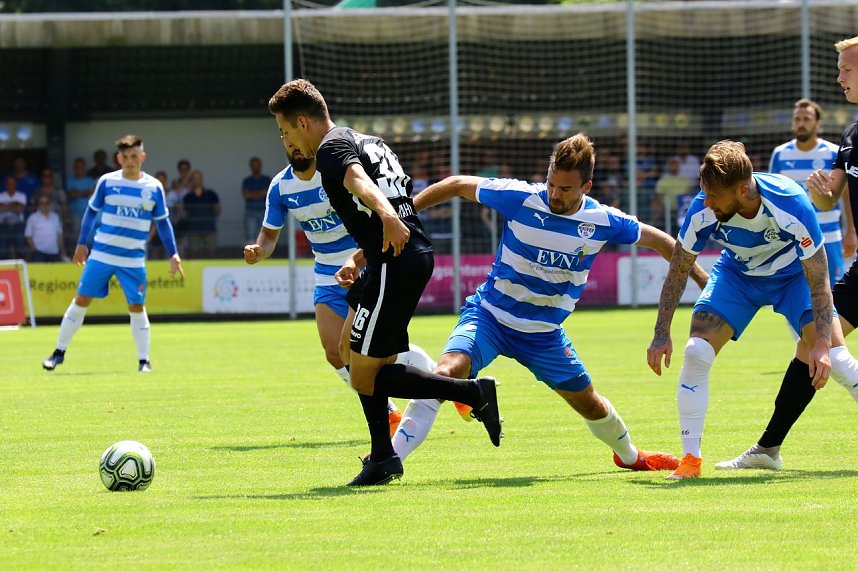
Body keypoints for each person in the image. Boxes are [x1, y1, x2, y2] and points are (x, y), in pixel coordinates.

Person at [387, 133, 707, 471]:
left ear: (587, 186)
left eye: (566, 189)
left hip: (544, 334)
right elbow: (455, 184)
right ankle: (390, 458)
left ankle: (631, 456)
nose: (555, 193)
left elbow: (665, 243)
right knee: (444, 373)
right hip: (490, 317)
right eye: (552, 183)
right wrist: (401, 217)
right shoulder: (521, 198)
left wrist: (705, 282)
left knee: (591, 404)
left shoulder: (603, 221)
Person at [268, 78, 502, 487]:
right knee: (345, 350)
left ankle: (470, 394)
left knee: (363, 373)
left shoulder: (330, 149)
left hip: (395, 260)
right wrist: (360, 255)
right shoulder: (369, 139)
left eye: (285, 131)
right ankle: (383, 455)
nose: (287, 141)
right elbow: (396, 195)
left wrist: (388, 219)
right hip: (390, 258)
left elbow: (361, 183)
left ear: (303, 122)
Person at [646, 140, 858, 479]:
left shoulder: (790, 202)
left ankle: (767, 451)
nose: (707, 202)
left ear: (743, 188)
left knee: (838, 359)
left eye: (714, 195)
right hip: (737, 275)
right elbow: (679, 267)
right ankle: (690, 461)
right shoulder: (703, 207)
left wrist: (820, 343)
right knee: (696, 351)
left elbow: (818, 279)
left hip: (793, 276)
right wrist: (660, 333)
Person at [716, 36, 858, 470]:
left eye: (846, 69)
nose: (838, 77)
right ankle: (768, 449)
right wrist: (823, 193)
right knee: (813, 341)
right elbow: (832, 197)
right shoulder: (851, 133)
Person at [243, 144, 450, 436]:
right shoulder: (280, 187)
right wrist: (258, 251)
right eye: (287, 142)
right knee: (335, 353)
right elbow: (268, 236)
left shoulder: (337, 173)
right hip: (326, 274)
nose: (294, 148)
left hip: (363, 264)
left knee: (373, 350)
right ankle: (391, 413)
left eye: (296, 142)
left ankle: (444, 380)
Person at [42, 134, 184, 373]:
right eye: (126, 157)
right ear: (119, 158)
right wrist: (81, 244)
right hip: (102, 255)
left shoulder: (154, 188)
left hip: (133, 259)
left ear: (143, 157)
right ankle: (58, 353)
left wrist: (173, 253)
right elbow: (90, 213)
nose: (131, 161)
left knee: (137, 307)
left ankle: (143, 361)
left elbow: (162, 223)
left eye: (135, 156)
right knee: (81, 301)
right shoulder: (107, 182)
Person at [769, 98, 854, 285]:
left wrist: (851, 231)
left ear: (817, 123)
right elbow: (772, 197)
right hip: (793, 239)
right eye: (797, 119)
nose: (801, 123)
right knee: (800, 299)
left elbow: (848, 193)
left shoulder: (834, 152)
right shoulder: (780, 154)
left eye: (806, 119)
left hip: (829, 236)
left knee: (835, 296)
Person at [181, 170, 220, 259]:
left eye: (198, 178)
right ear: (192, 180)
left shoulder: (211, 194)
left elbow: (217, 209)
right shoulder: (188, 197)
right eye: (194, 178)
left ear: (202, 179)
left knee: (212, 252)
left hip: (209, 228)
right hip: (193, 229)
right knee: (194, 253)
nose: (196, 180)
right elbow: (184, 212)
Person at [24, 195, 65, 262]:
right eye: (42, 203)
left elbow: (60, 234)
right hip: (39, 253)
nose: (44, 205)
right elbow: (28, 236)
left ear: (50, 204)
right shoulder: (32, 218)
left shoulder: (55, 217)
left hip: (54, 252)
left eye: (46, 203)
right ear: (38, 205)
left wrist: (62, 249)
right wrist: (34, 250)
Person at [241, 157, 271, 242]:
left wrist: (253, 193)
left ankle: (266, 254)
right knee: (250, 236)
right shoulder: (247, 181)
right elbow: (246, 194)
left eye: (257, 165)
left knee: (265, 236)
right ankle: (251, 254)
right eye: (253, 165)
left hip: (264, 211)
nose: (255, 167)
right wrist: (260, 193)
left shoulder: (267, 180)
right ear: (250, 167)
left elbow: (267, 193)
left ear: (260, 166)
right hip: (250, 212)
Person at [0, 175, 27, 259]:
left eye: (12, 183)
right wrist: (14, 204)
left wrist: (5, 205)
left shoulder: (21, 195)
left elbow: (19, 209)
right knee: (2, 252)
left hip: (18, 225)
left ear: (15, 184)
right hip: (3, 225)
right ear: (6, 184)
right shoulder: (1, 195)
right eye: (9, 183)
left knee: (20, 251)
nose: (10, 185)